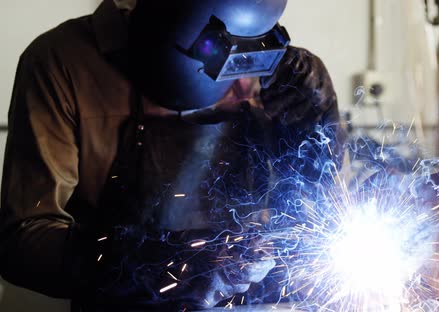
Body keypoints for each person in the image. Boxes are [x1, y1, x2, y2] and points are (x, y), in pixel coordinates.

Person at [0, 0, 343, 310]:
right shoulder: (64, 62)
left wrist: (320, 126)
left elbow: (322, 216)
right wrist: (162, 266)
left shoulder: (274, 70)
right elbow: (22, 241)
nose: (239, 73)